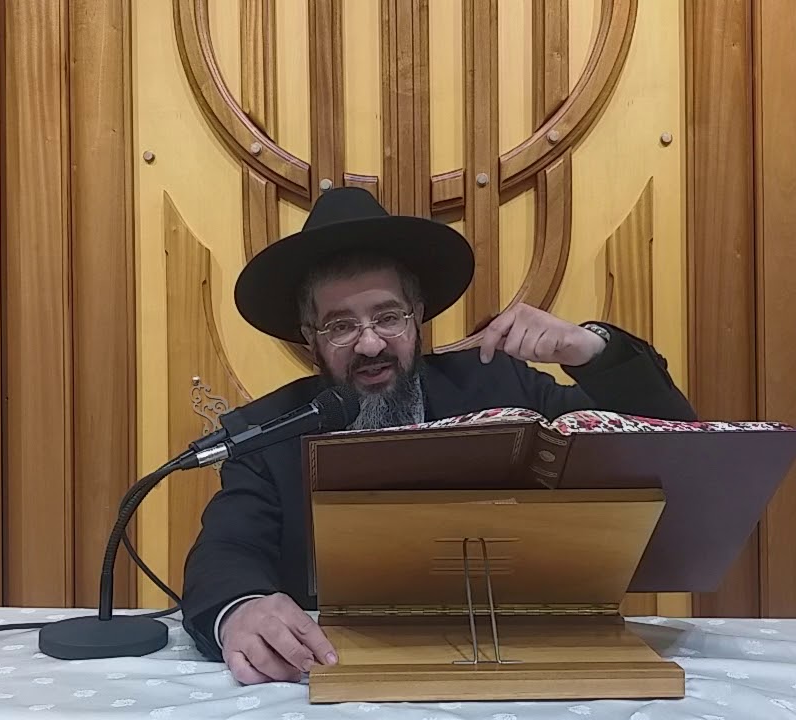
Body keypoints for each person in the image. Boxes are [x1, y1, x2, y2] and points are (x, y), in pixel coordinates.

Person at [180, 187, 696, 684]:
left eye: (388, 317)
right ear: (310, 339)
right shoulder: (267, 432)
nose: (369, 344)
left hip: (524, 664)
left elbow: (670, 444)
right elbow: (226, 550)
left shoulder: (500, 385)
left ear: (418, 316)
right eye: (340, 326)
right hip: (336, 672)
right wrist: (240, 608)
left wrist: (592, 351)